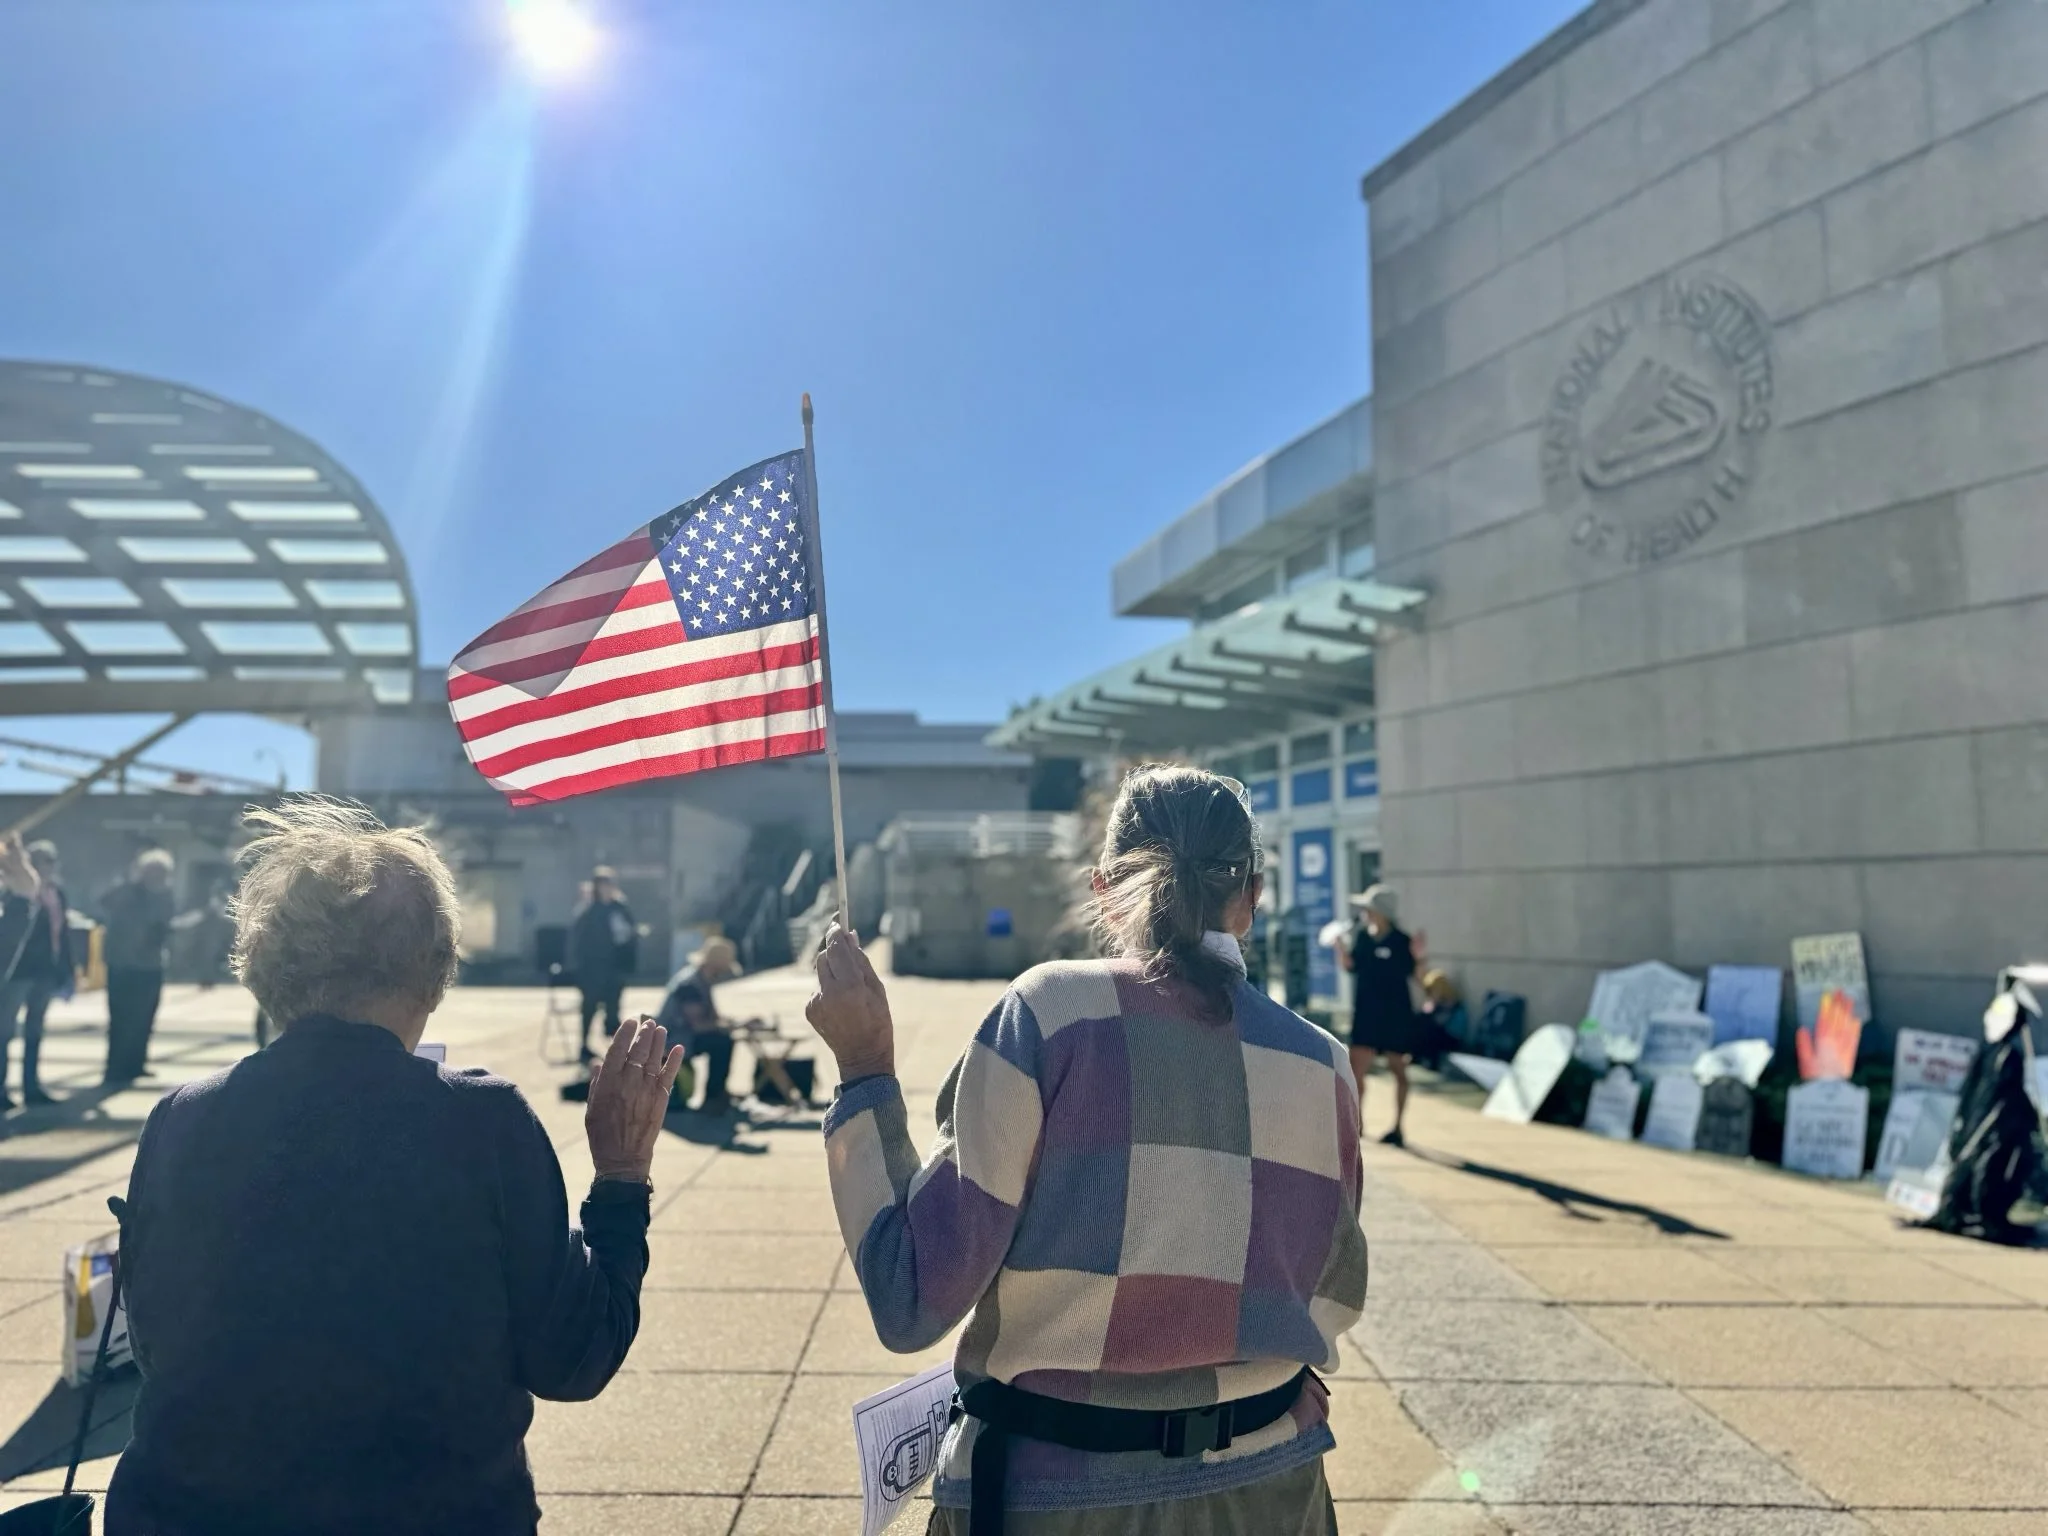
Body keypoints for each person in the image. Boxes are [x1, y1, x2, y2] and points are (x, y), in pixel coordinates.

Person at [808, 764, 1367, 1535]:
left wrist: (865, 1072)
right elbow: (1328, 1291)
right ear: (1252, 897)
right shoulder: (1323, 1063)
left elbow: (912, 1297)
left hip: (1051, 1497)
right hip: (1274, 1487)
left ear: (1104, 887)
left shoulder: (1048, 1016)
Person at [107, 797, 682, 1536]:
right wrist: (623, 1178)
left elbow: (155, 1341)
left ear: (267, 963)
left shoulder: (182, 1118)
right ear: (435, 967)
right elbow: (574, 1358)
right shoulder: (483, 1122)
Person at [1338, 884, 1426, 1147]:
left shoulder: (1402, 941)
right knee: (1357, 1069)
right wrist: (1340, 949)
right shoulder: (1363, 937)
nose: (1365, 912)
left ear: (1381, 912)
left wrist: (1421, 958)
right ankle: (1358, 1124)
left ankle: (1398, 1127)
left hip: (1395, 1015)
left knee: (1398, 1068)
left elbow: (1419, 978)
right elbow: (1351, 966)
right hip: (1366, 1012)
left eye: (1369, 908)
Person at [100, 849, 185, 1086]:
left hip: (151, 964)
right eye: (154, 872)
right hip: (124, 964)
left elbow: (165, 925)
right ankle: (115, 1068)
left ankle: (136, 1063)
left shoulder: (165, 896)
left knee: (146, 1015)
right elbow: (105, 902)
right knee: (122, 1018)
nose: (159, 878)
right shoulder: (127, 892)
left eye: (163, 873)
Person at [0, 836, 72, 1106]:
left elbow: (61, 933)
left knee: (34, 1030)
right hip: (17, 970)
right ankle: (1, 1090)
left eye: (50, 861)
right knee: (4, 1030)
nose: (47, 867)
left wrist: (65, 967)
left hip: (45, 970)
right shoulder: (15, 893)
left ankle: (32, 1086)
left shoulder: (57, 893)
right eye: (41, 862)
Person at [654, 935, 743, 1112]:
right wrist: (727, 1027)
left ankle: (717, 1093)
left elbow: (713, 1018)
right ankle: (713, 1097)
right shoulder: (690, 984)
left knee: (723, 1038)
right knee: (722, 1043)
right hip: (675, 1040)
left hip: (684, 1036)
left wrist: (740, 1023)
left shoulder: (702, 979)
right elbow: (697, 1025)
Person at [568, 866, 637, 1063]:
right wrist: (577, 967)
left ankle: (617, 1050)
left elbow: (629, 936)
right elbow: (577, 940)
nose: (605, 889)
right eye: (601, 885)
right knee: (589, 1007)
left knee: (613, 1009)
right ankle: (584, 1047)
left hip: (615, 968)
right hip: (591, 968)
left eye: (608, 885)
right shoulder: (589, 910)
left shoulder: (620, 908)